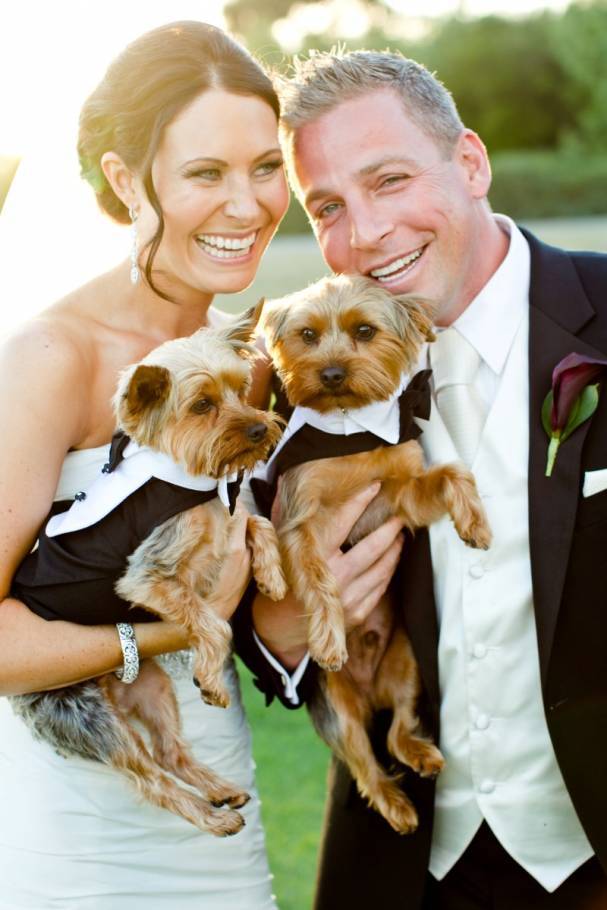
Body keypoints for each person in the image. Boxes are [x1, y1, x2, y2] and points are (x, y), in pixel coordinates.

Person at [0, 23, 401, 910]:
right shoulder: (50, 359)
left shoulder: (253, 361)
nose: (249, 204)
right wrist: (167, 636)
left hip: (222, 814)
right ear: (124, 180)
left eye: (266, 168)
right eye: (205, 174)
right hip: (79, 841)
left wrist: (300, 605)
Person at [236, 49, 607, 909]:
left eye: (390, 179)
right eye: (327, 206)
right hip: (408, 864)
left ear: (470, 163)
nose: (363, 234)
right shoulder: (303, 384)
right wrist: (285, 627)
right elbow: (264, 617)